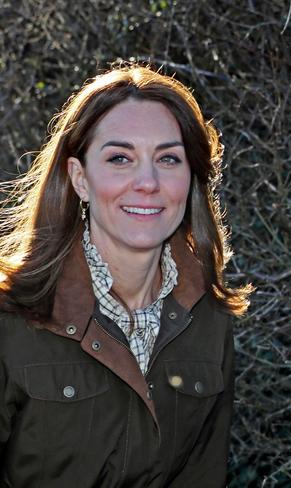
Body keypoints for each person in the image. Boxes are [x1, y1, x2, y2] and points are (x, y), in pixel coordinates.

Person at [0, 65, 250, 487]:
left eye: (168, 159)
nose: (148, 182)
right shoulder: (12, 317)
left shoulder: (208, 317)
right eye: (120, 158)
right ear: (80, 178)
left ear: (190, 179)